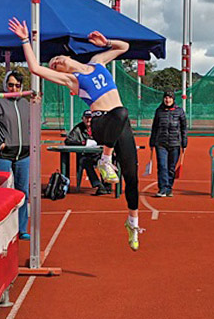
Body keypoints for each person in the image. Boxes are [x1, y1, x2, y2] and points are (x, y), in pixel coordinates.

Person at [8, 17, 143, 251]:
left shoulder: (97, 61)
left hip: (120, 126)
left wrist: (105, 42)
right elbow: (35, 69)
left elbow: (124, 48)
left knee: (132, 176)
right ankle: (105, 159)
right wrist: (24, 40)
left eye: (58, 58)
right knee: (121, 111)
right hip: (101, 121)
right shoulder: (72, 80)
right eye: (55, 64)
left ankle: (132, 222)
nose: (57, 61)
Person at [0, 70, 31, 240]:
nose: (14, 88)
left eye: (17, 85)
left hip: (23, 154)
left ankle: (21, 228)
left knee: (22, 191)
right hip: (2, 155)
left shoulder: (25, 103)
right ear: (5, 85)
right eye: (11, 85)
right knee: (1, 193)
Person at [149, 89, 187, 197]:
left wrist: (184, 143)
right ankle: (162, 188)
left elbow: (184, 128)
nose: (167, 99)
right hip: (161, 143)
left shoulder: (180, 111)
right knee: (162, 166)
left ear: (173, 99)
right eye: (166, 97)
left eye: (169, 97)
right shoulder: (159, 111)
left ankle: (169, 188)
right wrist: (152, 142)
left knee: (171, 167)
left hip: (175, 144)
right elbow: (154, 127)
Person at [65, 109, 112, 195]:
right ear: (82, 118)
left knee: (104, 160)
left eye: (90, 118)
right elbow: (68, 141)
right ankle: (98, 185)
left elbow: (108, 139)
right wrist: (82, 143)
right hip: (85, 155)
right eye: (86, 118)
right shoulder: (78, 129)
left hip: (98, 154)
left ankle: (107, 186)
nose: (88, 120)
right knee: (84, 161)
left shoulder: (99, 128)